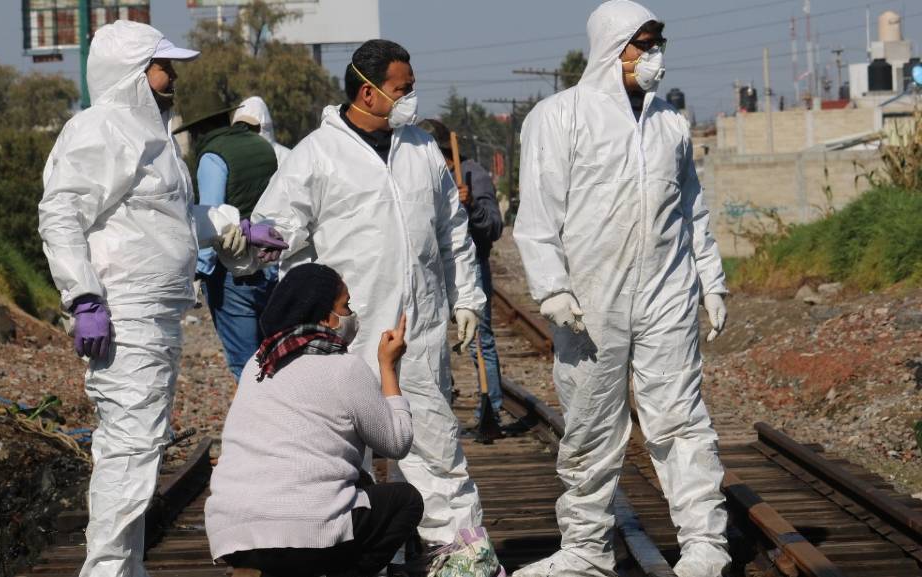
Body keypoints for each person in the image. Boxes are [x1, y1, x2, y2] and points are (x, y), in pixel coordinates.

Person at [37, 21, 276, 577]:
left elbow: (168, 219)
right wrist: (84, 298)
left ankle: (125, 567)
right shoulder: (98, 130)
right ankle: (106, 570)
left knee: (139, 446)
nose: (173, 77)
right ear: (134, 73)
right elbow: (61, 214)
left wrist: (230, 226)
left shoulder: (155, 140)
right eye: (164, 66)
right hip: (125, 312)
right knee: (130, 446)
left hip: (157, 313)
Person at [511, 2, 730, 576]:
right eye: (644, 43)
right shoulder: (559, 117)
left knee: (680, 417)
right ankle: (586, 548)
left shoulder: (670, 123)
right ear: (613, 47)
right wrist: (552, 288)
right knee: (591, 421)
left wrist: (711, 278)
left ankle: (706, 545)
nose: (654, 55)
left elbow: (691, 211)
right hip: (589, 300)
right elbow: (536, 217)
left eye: (659, 43)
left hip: (666, 290)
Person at [251, 39, 487, 554]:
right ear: (368, 92)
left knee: (436, 447)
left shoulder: (422, 148)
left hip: (416, 331)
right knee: (343, 456)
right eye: (403, 90)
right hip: (348, 336)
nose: (411, 99)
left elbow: (452, 232)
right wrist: (259, 238)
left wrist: (467, 296)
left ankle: (458, 556)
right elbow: (276, 228)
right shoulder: (317, 154)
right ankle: (361, 558)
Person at [205, 263, 423, 577]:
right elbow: (397, 442)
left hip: (231, 532)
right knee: (405, 501)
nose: (351, 314)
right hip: (305, 532)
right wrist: (387, 366)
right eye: (345, 305)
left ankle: (262, 568)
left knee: (358, 483)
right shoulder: (344, 368)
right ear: (325, 317)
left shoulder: (259, 362)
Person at [180, 100, 283, 382]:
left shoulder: (212, 157)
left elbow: (214, 218)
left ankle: (256, 422)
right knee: (274, 354)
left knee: (246, 364)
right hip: (272, 262)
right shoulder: (264, 147)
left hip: (233, 272)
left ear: (198, 134)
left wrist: (200, 270)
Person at [418, 119, 505, 427]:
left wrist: (470, 206)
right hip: (431, 268)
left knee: (480, 339)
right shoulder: (422, 177)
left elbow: (494, 227)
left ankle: (490, 410)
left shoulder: (473, 175)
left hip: (471, 265)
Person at [232, 95, 292, 164]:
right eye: (241, 126)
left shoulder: (288, 158)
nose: (246, 132)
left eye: (251, 127)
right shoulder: (232, 160)